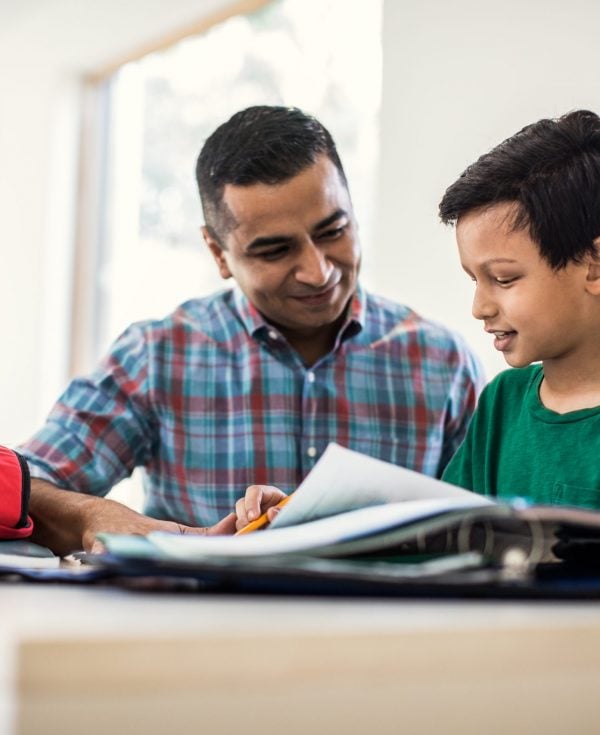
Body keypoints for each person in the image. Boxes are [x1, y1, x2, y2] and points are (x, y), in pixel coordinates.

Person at [19, 105, 483, 554]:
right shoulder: (156, 355)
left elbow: (491, 529)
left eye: (332, 231)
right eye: (275, 251)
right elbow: (22, 486)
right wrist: (92, 516)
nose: (317, 271)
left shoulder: (442, 361)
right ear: (218, 253)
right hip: (202, 631)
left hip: (389, 631)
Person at [437, 109, 600, 508]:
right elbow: (442, 538)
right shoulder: (500, 404)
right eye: (475, 280)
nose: (480, 308)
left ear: (594, 267)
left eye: (504, 280)